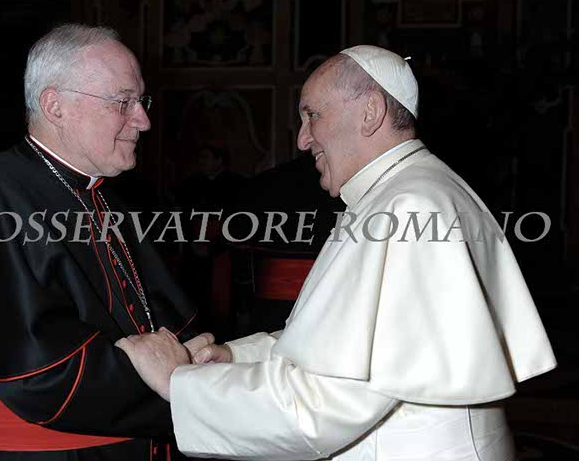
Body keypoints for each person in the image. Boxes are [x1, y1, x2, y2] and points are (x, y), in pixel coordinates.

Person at [115, 46, 557, 461]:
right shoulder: (405, 191)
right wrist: (236, 357)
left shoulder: (407, 205)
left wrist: (182, 382)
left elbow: (327, 403)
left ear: (370, 112)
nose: (302, 139)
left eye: (313, 115)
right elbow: (345, 343)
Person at [0, 24, 211, 461]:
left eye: (141, 102)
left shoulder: (102, 198)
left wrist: (189, 360)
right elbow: (37, 376)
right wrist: (176, 381)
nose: (143, 120)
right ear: (55, 106)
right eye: (123, 102)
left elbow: (154, 324)